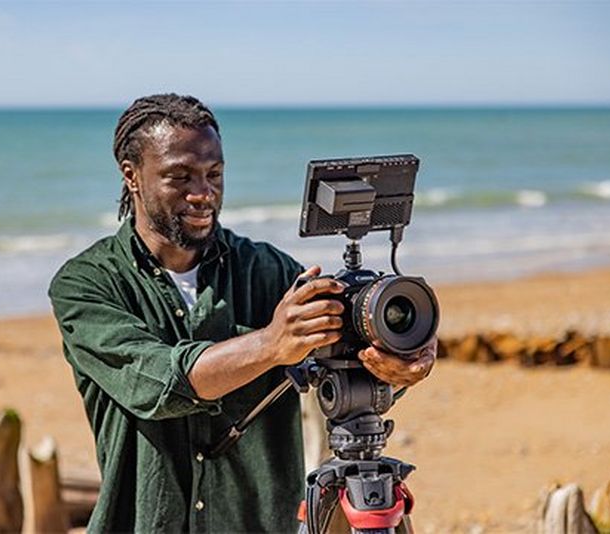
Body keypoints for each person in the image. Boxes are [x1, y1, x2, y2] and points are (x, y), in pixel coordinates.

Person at [49, 93, 436, 533]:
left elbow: (343, 365)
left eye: (214, 174)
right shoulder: (86, 284)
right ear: (131, 175)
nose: (203, 194)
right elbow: (157, 384)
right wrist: (271, 344)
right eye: (181, 177)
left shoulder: (268, 272)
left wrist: (394, 363)